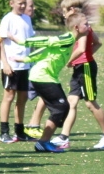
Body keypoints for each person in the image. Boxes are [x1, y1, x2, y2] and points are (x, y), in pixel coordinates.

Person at [56, 0, 104, 150]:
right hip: (80, 67)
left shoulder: (82, 26)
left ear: (71, 10)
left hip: (85, 68)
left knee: (90, 103)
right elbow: (97, 43)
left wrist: (70, 60)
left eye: (64, 11)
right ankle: (64, 137)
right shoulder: (80, 24)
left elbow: (82, 48)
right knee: (71, 102)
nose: (64, 15)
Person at [23, 22, 78, 155]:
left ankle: (44, 140)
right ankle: (43, 142)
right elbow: (47, 42)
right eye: (86, 24)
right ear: (76, 26)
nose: (89, 27)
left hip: (48, 77)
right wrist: (22, 42)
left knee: (62, 107)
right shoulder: (69, 38)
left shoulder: (71, 39)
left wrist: (25, 59)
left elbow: (47, 51)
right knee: (60, 108)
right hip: (42, 77)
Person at [0, 0, 34, 143]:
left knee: (23, 97)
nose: (23, 6)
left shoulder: (27, 18)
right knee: (9, 96)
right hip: (11, 66)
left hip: (24, 66)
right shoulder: (8, 19)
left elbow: (30, 41)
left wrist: (32, 60)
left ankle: (20, 131)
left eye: (24, 3)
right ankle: (4, 131)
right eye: (20, 3)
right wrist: (4, 63)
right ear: (11, 3)